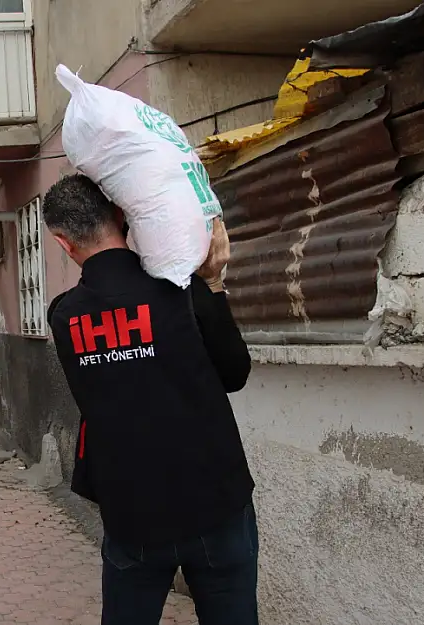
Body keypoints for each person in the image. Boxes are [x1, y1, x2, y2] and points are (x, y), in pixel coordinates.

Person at [42, 174, 256, 625]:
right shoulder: (183, 289)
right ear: (122, 215)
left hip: (133, 514)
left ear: (63, 243)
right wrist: (213, 282)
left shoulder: (64, 317)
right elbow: (235, 373)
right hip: (215, 502)